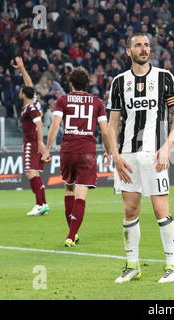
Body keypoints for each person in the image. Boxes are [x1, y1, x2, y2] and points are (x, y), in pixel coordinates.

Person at [106, 33, 174, 283]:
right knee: (130, 210)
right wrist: (115, 155)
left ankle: (172, 266)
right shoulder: (119, 82)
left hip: (154, 154)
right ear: (129, 51)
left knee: (161, 210)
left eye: (147, 45)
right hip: (128, 155)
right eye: (138, 45)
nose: (143, 48)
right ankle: (132, 265)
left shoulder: (164, 77)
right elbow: (113, 123)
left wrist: (167, 147)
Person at [42, 66, 112, 247]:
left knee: (69, 190)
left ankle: (72, 233)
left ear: (71, 83)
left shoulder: (62, 100)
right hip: (87, 151)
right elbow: (104, 132)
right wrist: (108, 150)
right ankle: (71, 235)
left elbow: (55, 126)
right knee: (81, 195)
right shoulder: (97, 102)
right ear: (87, 84)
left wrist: (48, 149)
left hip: (67, 150)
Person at [12, 57, 50, 216]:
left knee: (30, 172)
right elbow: (29, 84)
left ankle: (40, 204)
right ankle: (43, 204)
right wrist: (21, 68)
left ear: (23, 95)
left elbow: (39, 124)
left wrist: (40, 143)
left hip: (32, 142)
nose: (20, 92)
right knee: (34, 172)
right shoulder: (33, 102)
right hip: (34, 142)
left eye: (20, 91)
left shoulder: (30, 109)